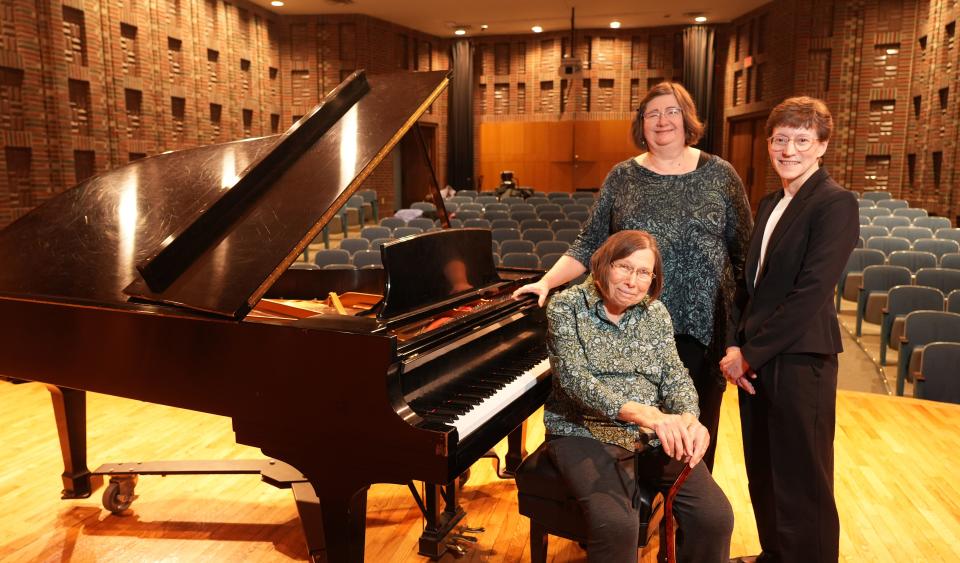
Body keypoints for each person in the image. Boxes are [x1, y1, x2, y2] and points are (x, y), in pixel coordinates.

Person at [514, 81, 752, 472]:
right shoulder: (622, 176)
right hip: (632, 326)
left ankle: (682, 515)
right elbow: (590, 242)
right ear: (641, 124)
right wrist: (547, 282)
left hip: (701, 328)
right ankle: (628, 519)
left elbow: (745, 254)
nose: (662, 121)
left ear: (687, 118)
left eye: (672, 111)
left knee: (692, 429)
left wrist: (741, 336)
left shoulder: (720, 174)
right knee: (630, 433)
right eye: (652, 113)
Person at [720, 97, 859, 563]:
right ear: (769, 145)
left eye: (802, 140)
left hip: (800, 359)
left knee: (803, 478)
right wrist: (734, 342)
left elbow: (810, 293)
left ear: (822, 147)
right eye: (781, 140)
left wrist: (749, 354)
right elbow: (751, 285)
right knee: (764, 468)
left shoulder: (835, 203)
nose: (789, 149)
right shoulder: (770, 201)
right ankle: (776, 554)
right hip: (757, 357)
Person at [542, 230, 733, 563]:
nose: (633, 280)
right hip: (580, 430)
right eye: (624, 267)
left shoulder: (655, 313)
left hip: (648, 433)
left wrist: (689, 418)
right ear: (603, 264)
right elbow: (575, 380)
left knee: (715, 517)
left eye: (644, 272)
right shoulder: (566, 307)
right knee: (617, 525)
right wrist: (646, 414)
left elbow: (675, 376)